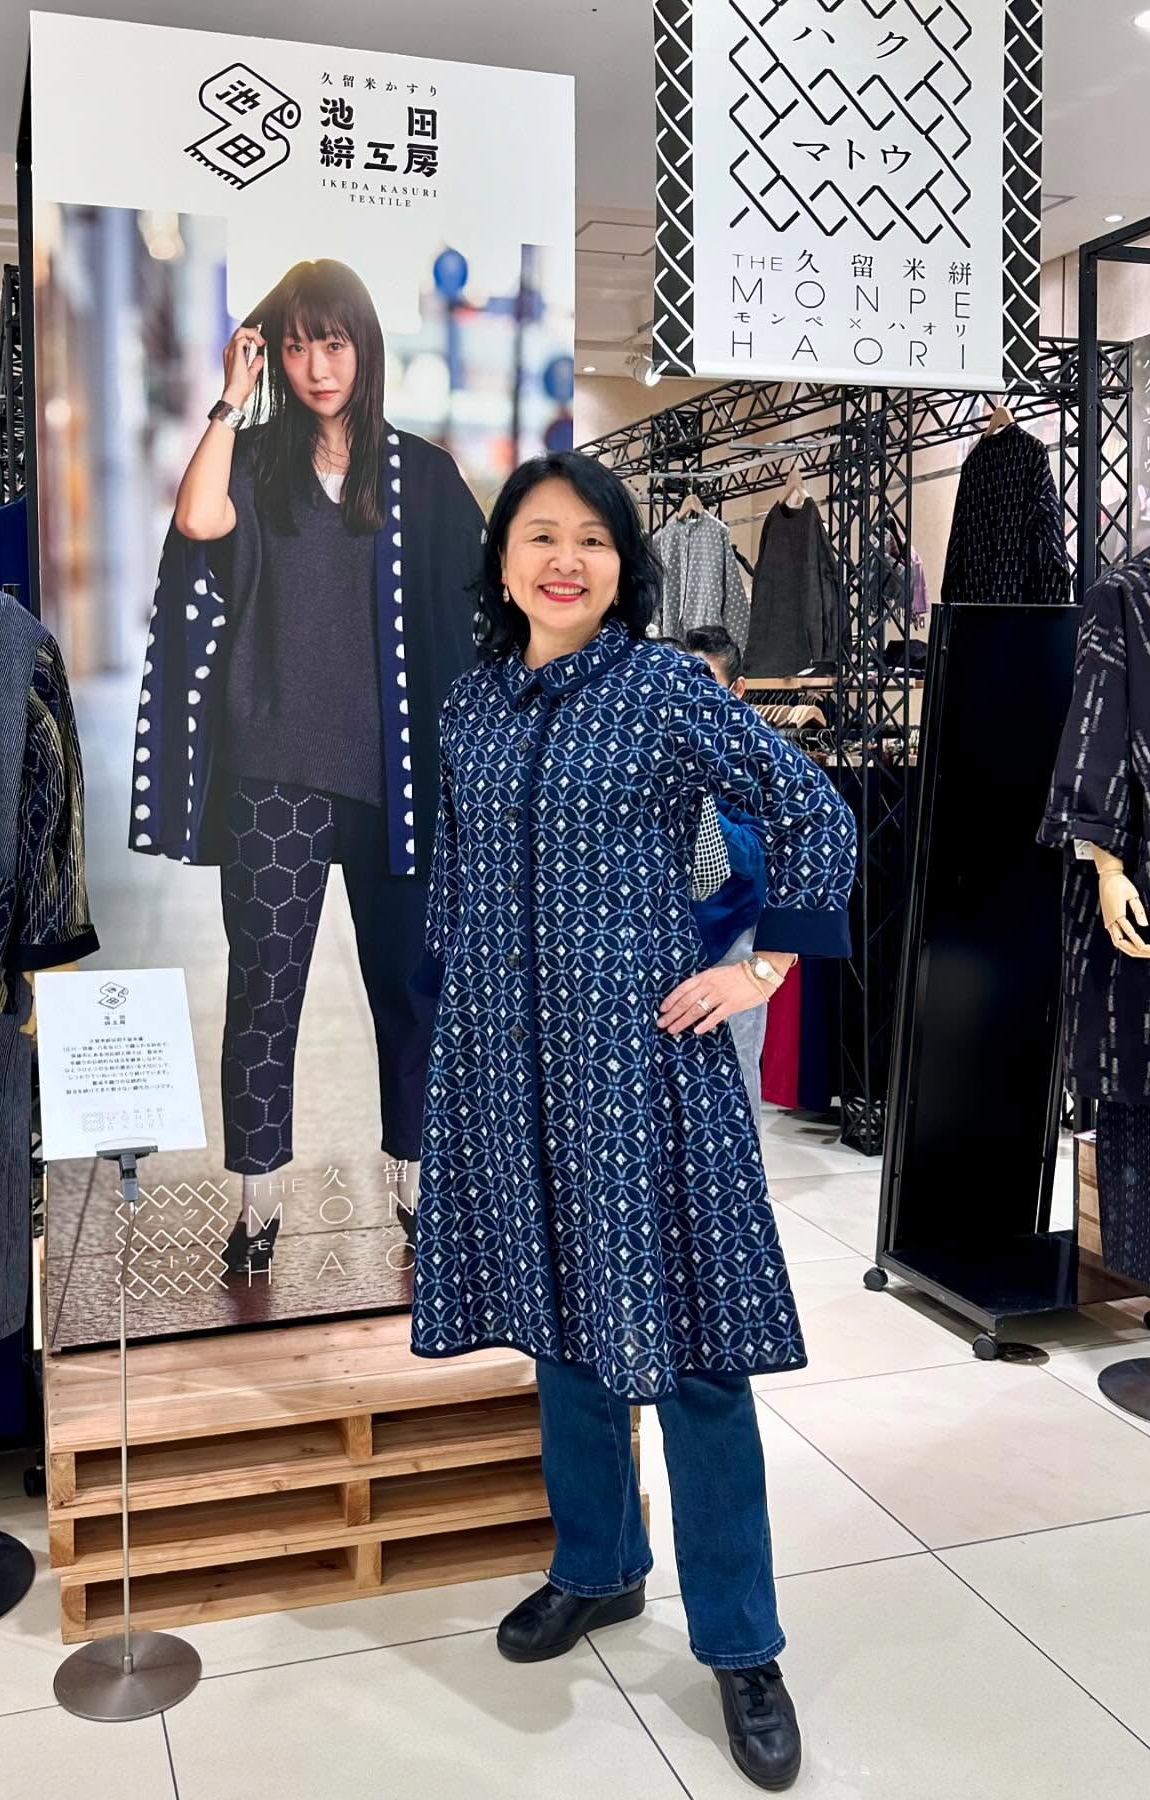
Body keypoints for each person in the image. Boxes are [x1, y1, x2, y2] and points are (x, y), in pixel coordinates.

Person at [411, 453, 855, 1791]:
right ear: (503, 564)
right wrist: (462, 1026)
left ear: (624, 566)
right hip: (511, 1076)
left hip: (645, 1073)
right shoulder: (470, 706)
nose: (567, 560)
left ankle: (742, 1645)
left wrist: (761, 968)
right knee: (561, 1331)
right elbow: (455, 875)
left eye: (594, 540)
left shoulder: (664, 688)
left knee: (701, 1361)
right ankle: (598, 1567)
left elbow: (814, 808)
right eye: (541, 537)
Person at [133, 259, 484, 1271]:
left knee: (411, 988)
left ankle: (414, 1179)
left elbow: (478, 613)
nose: (317, 366)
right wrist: (228, 399)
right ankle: (258, 1200)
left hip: (397, 780)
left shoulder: (422, 475)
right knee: (264, 990)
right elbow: (196, 522)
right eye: (295, 346)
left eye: (333, 343)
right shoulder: (253, 459)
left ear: (364, 348)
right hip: (274, 774)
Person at [683, 624, 771, 1128]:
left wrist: (702, 809)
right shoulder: (661, 747)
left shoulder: (756, 760)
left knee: (736, 1072)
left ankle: (747, 1171)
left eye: (707, 686)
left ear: (736, 690)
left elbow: (761, 855)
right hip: (667, 938)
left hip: (733, 938)